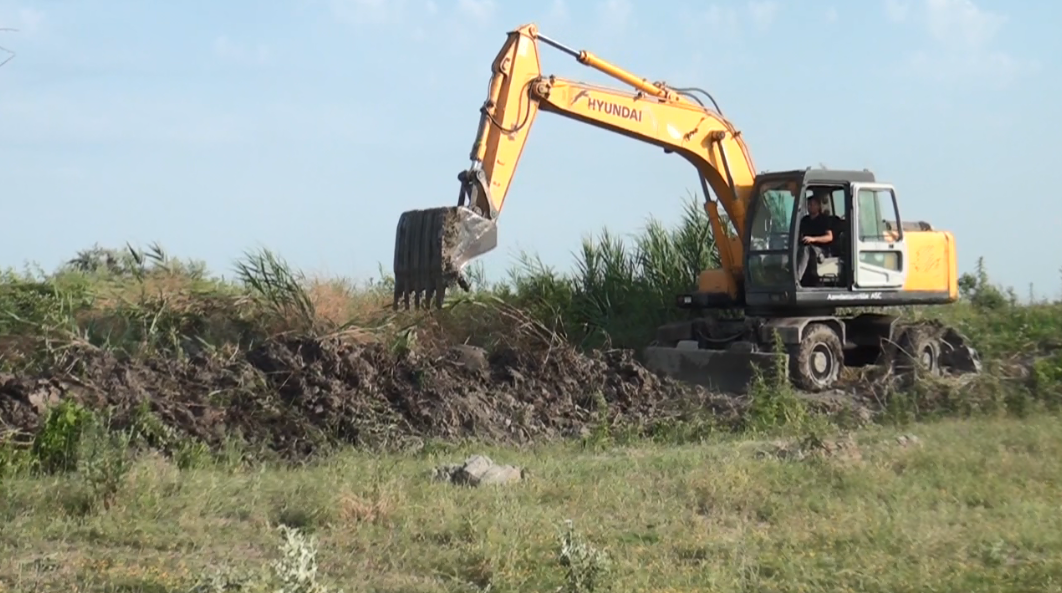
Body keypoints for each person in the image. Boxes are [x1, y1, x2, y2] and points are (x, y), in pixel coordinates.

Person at [796, 191, 834, 284]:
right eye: (809, 204)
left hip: (821, 250)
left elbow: (829, 237)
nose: (810, 207)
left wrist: (813, 239)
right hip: (806, 247)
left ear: (818, 206)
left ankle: (796, 279)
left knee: (806, 249)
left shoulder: (824, 220)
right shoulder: (805, 220)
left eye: (813, 204)